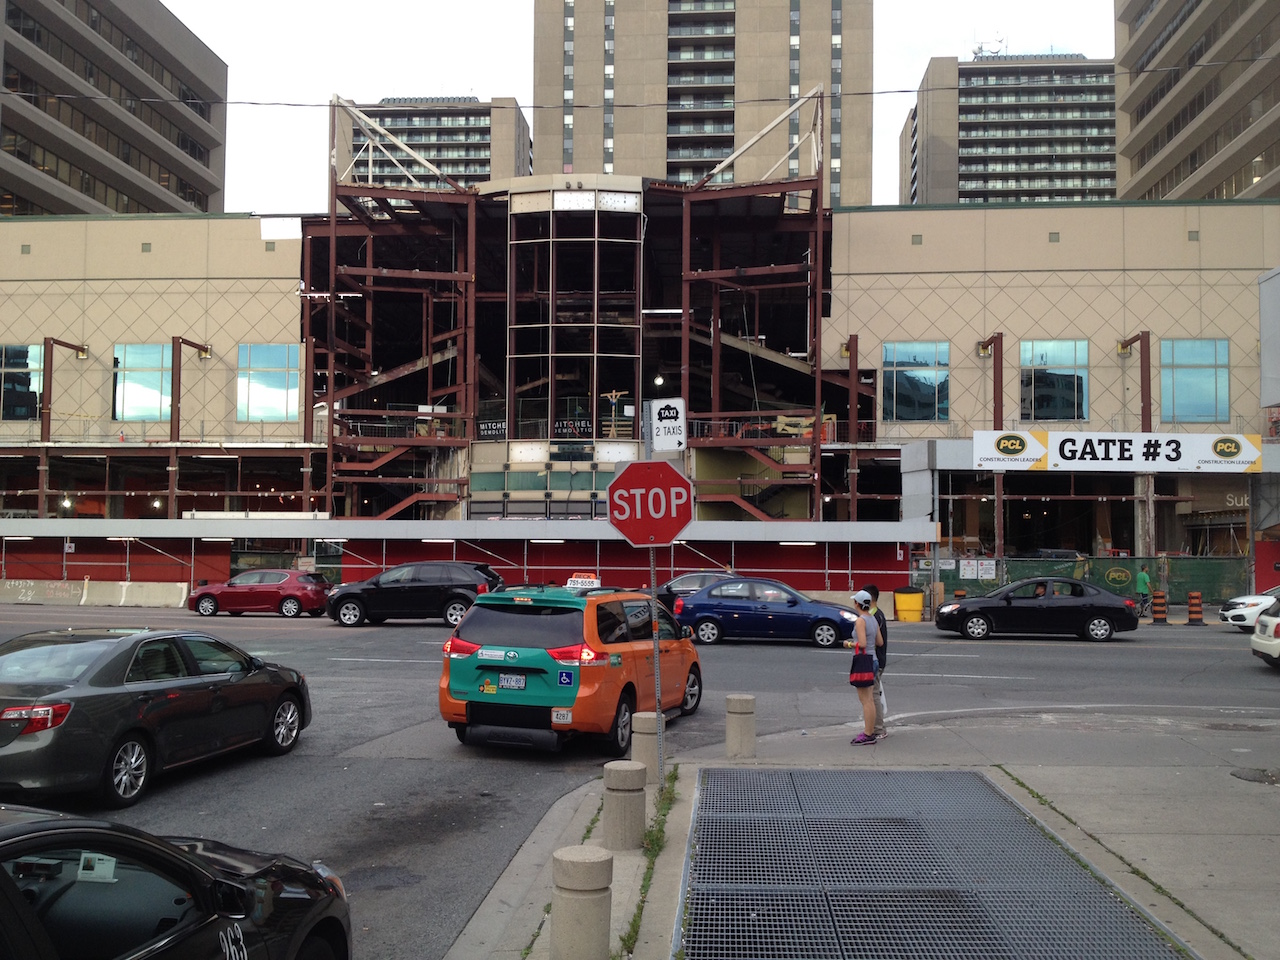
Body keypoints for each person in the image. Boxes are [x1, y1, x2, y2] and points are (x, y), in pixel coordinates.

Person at [843, 589, 880, 745]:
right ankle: (870, 731)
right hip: (874, 659)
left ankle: (867, 733)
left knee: (865, 700)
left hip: (863, 660)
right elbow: (880, 642)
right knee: (870, 699)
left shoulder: (860, 621)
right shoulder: (873, 618)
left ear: (856, 603)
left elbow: (863, 644)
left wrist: (849, 644)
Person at [862, 583, 888, 739]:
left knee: (872, 695)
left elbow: (878, 641)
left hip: (875, 659)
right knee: (872, 694)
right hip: (876, 659)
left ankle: (878, 728)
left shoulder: (875, 616)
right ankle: (874, 726)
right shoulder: (875, 614)